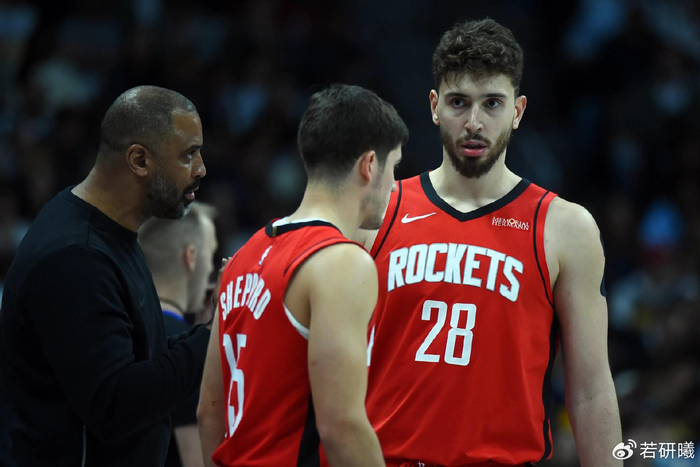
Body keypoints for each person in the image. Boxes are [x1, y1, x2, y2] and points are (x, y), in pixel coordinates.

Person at [360, 19, 623, 467]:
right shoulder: (375, 212)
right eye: (458, 102)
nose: (474, 122)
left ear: (517, 111)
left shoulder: (565, 227)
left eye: (492, 104)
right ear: (434, 106)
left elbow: (591, 390)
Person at [197, 83, 408, 466]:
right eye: (393, 168)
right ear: (369, 165)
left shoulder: (243, 257)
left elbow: (209, 411)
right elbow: (342, 427)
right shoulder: (341, 262)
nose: (395, 185)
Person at [0, 85, 212, 466]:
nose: (201, 169)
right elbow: (115, 406)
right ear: (139, 160)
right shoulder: (75, 258)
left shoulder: (102, 230)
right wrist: (215, 338)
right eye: (188, 154)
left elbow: (137, 353)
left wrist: (208, 330)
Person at [139, 201, 219, 467]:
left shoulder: (122, 331)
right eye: (211, 255)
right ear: (191, 257)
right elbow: (197, 460)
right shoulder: (188, 353)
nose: (210, 272)